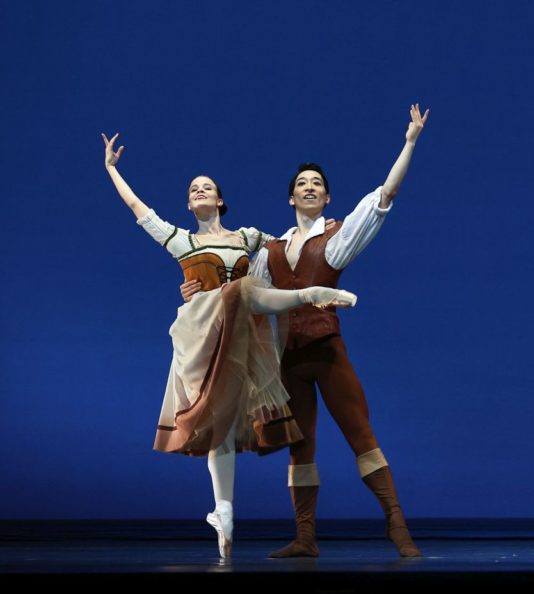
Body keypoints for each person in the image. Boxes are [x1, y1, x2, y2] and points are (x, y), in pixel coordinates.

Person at [181, 104, 429, 558]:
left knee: (361, 436)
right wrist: (195, 290)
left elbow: (383, 196)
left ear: (327, 198)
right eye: (302, 185)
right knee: (302, 449)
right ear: (291, 199)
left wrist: (410, 141)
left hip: (327, 350)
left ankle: (397, 527)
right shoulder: (270, 249)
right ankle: (305, 537)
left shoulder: (336, 236)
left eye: (317, 184)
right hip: (287, 360)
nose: (309, 188)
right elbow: (237, 289)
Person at [102, 133, 357, 559]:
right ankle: (310, 294)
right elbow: (139, 211)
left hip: (238, 336)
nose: (199, 191)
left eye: (207, 188)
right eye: (192, 190)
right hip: (202, 332)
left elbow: (287, 241)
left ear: (220, 201)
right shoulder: (183, 241)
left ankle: (223, 511)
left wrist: (325, 226)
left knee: (223, 421)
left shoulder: (246, 238)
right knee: (241, 291)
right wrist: (111, 168)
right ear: (188, 206)